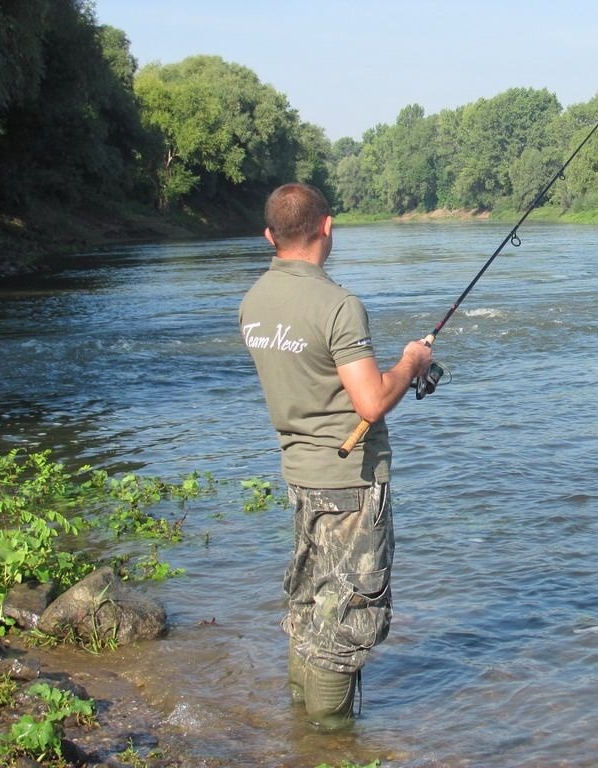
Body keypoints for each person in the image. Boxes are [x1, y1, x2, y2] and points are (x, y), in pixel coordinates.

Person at [238, 183, 432, 725]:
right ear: (328, 227)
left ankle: (301, 728)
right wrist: (410, 363)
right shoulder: (339, 305)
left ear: (269, 236)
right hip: (350, 482)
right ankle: (329, 742)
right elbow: (370, 402)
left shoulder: (253, 301)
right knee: (346, 613)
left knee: (310, 599)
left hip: (300, 474)